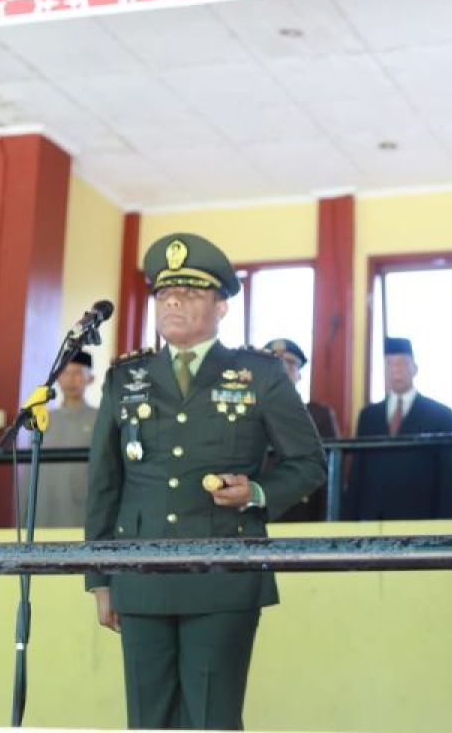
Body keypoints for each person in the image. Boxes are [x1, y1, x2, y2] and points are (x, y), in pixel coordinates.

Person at [84, 232, 326, 730]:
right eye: (165, 293)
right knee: (148, 721)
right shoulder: (124, 378)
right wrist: (99, 578)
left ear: (221, 308)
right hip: (139, 574)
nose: (173, 301)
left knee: (212, 718)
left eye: (190, 293)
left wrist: (257, 494)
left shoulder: (258, 374)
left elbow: (308, 462)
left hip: (223, 574)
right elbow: (105, 483)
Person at [348, 337, 452, 520]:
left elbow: (448, 479)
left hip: (420, 517)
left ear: (415, 369)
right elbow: (357, 475)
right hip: (373, 519)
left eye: (402, 364)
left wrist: (443, 525)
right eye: (390, 364)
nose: (396, 371)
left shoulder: (441, 416)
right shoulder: (368, 416)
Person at [261, 337, 339, 522]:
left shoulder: (319, 415)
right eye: (274, 361)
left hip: (302, 511)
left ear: (299, 374)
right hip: (254, 506)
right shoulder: (245, 412)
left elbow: (329, 471)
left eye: (289, 362)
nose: (281, 367)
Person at [32, 350, 97, 527]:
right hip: (45, 504)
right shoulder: (43, 419)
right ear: (58, 379)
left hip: (81, 504)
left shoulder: (99, 419)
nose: (70, 380)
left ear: (90, 379)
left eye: (77, 373)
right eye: (65, 373)